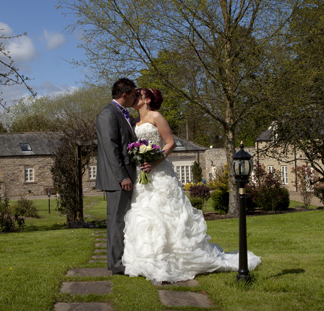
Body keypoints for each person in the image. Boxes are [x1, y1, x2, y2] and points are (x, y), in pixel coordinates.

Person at [122, 88, 262, 284]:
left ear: (147, 100)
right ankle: (147, 259)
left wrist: (154, 161)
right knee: (144, 214)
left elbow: (170, 143)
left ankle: (175, 259)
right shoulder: (134, 121)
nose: (134, 98)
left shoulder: (156, 116)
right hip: (142, 174)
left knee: (167, 214)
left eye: (138, 95)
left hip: (159, 172)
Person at [95, 78, 138, 275]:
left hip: (125, 175)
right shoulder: (108, 114)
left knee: (122, 220)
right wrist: (122, 177)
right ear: (125, 95)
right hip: (117, 179)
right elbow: (110, 148)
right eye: (134, 95)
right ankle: (116, 264)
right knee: (116, 221)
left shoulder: (122, 113)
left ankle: (122, 259)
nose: (135, 98)